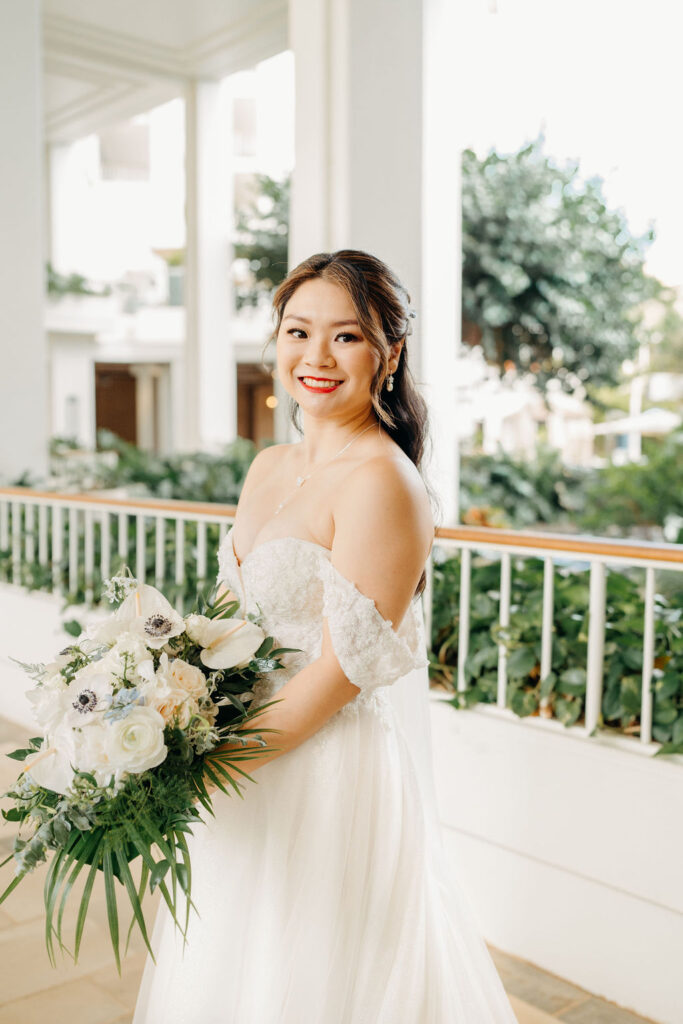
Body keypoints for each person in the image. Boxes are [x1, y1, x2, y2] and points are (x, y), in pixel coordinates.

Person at [133, 250, 518, 1023]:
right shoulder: (270, 465)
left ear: (388, 353)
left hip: (320, 771)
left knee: (307, 981)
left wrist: (207, 768)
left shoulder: (382, 482)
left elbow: (340, 674)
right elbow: (229, 626)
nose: (315, 356)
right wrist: (160, 715)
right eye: (297, 331)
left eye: (344, 337)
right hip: (242, 754)